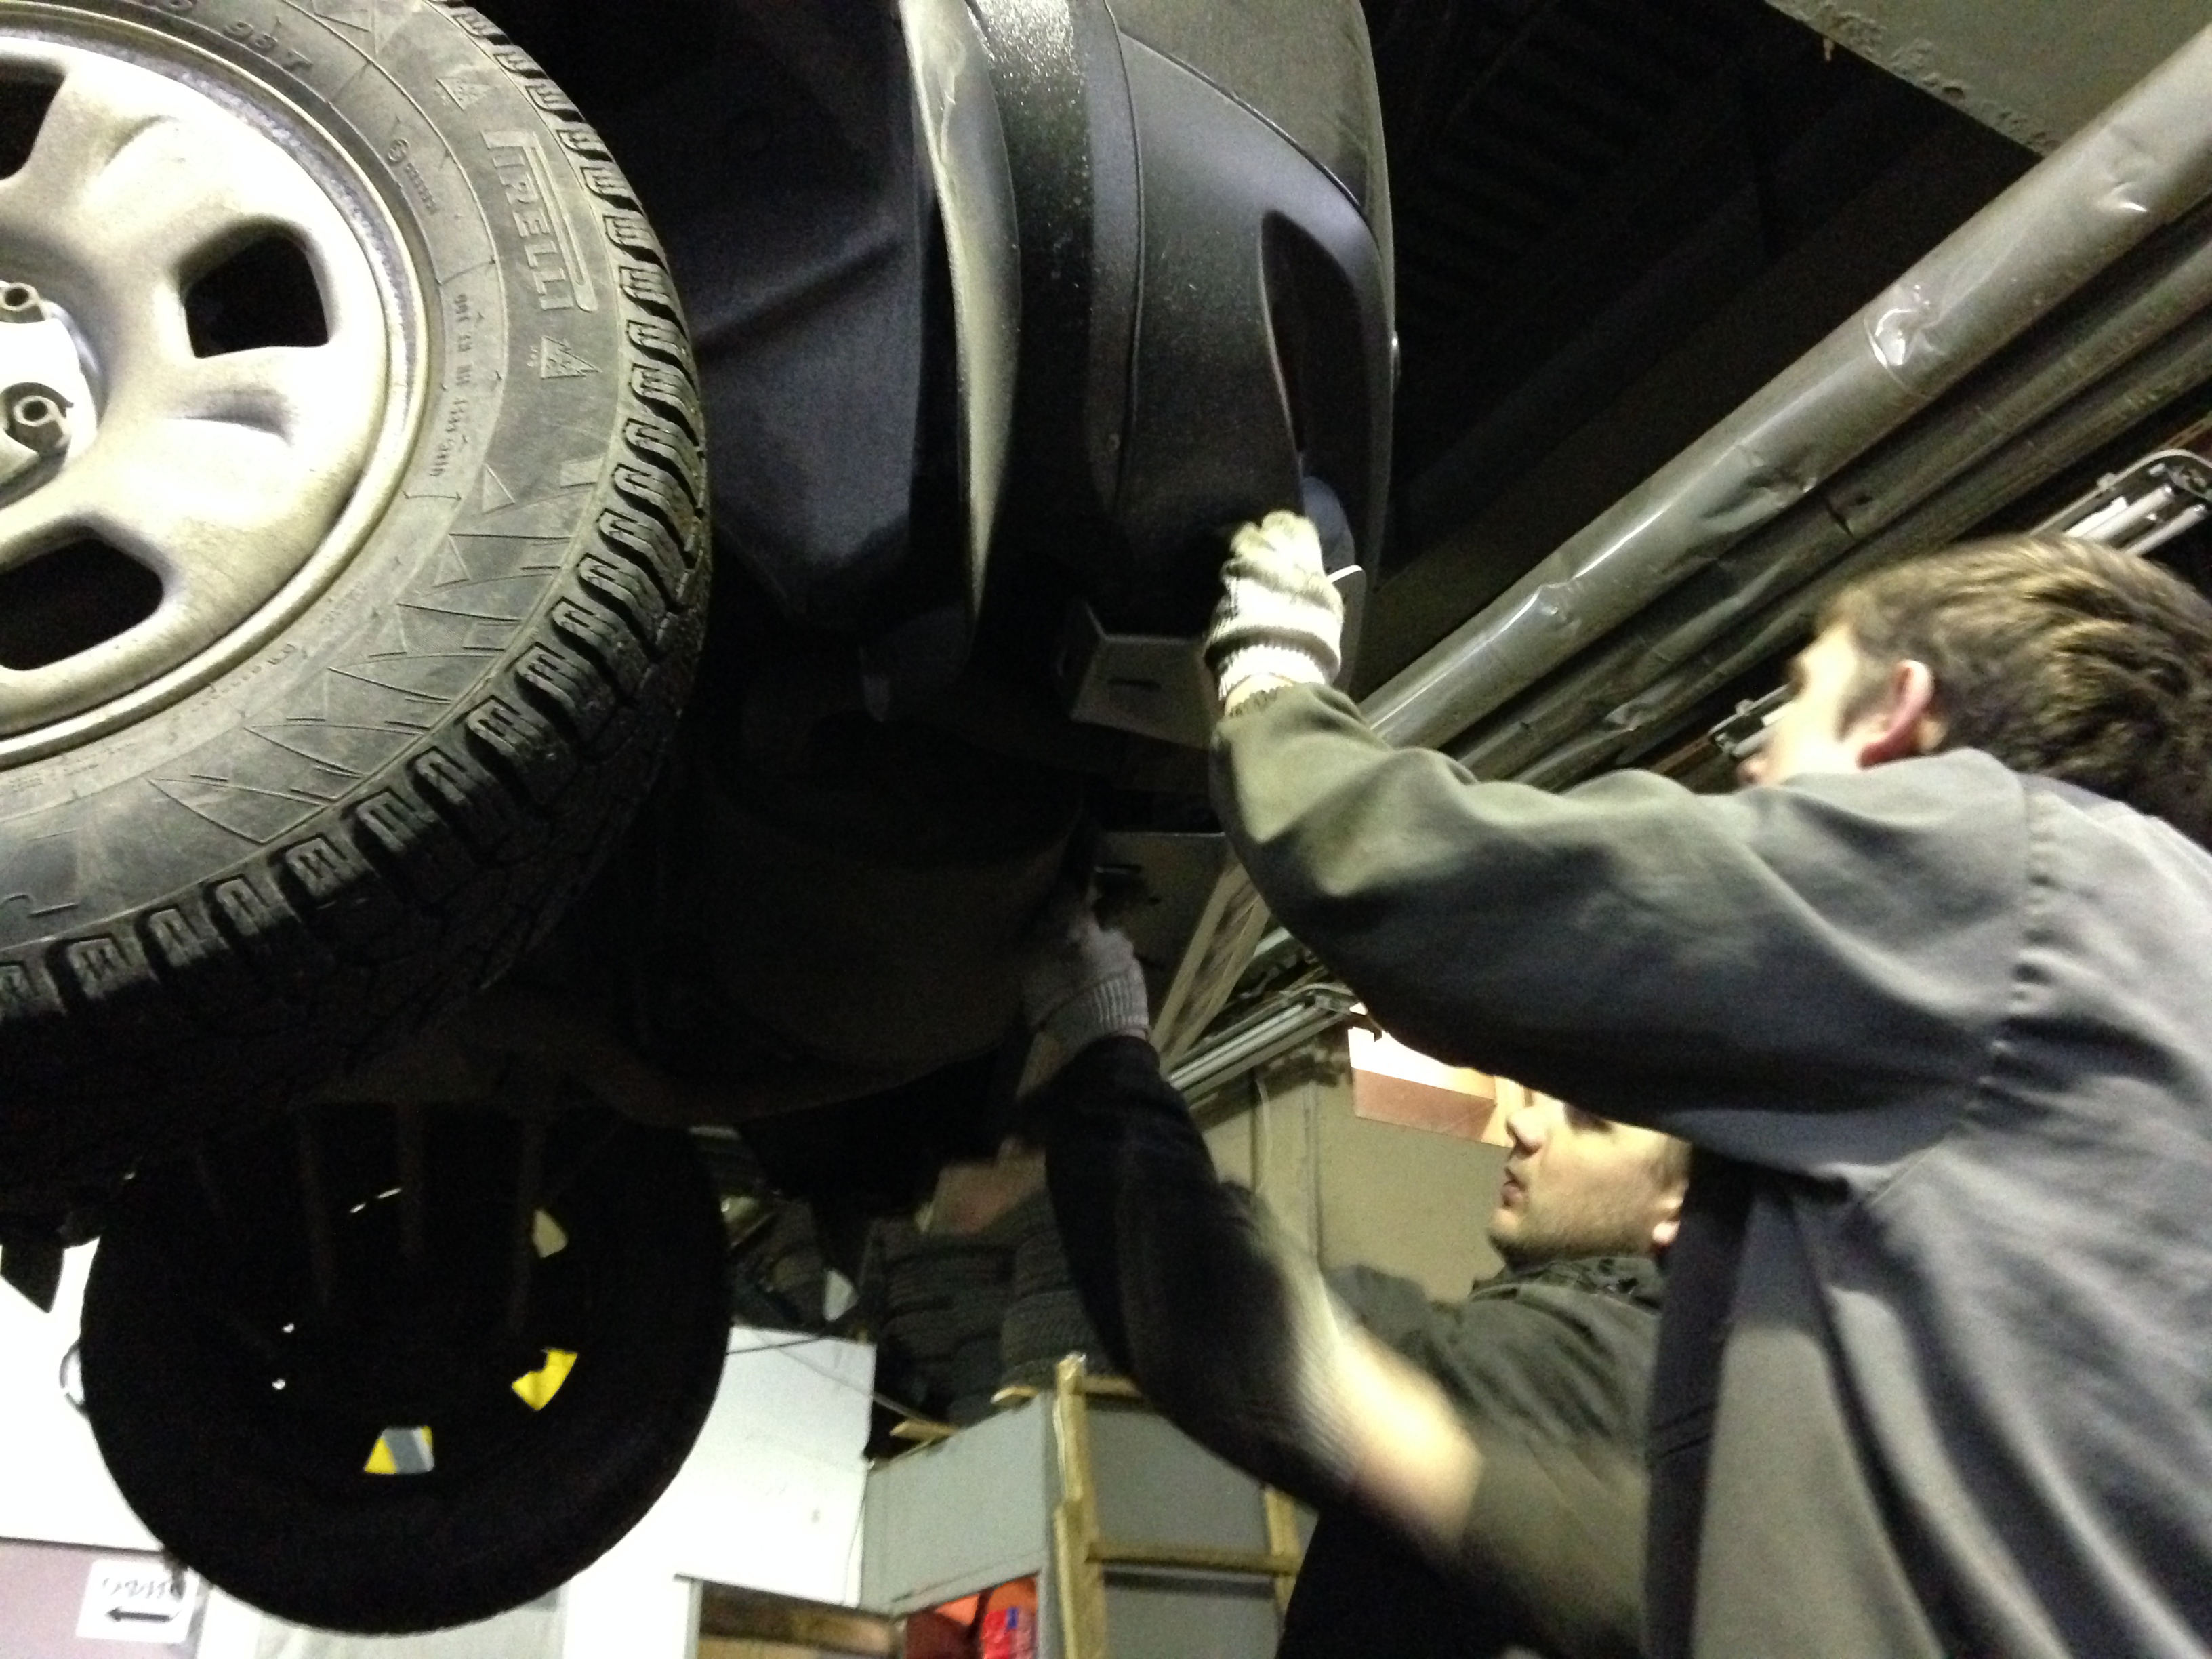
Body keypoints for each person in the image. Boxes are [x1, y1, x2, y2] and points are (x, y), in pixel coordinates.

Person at [1198, 517, 2212, 1656]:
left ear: (1896, 716)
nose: (1750, 757)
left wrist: (1274, 688)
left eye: (1796, 696)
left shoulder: (2026, 879)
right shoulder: (2138, 986)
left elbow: (1449, 886)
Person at [1017, 893, 1687, 1659]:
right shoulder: (1676, 1373)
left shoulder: (1582, 1360)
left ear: (1680, 1204)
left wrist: (1105, 1046)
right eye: (1547, 1102)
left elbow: (1220, 1315)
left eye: (1589, 1122)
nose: (1524, 1124)